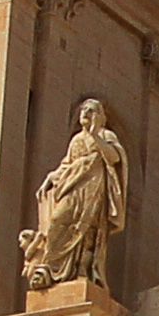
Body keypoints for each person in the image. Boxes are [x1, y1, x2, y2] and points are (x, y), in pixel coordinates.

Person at [22, 97, 130, 287]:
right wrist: (50, 178)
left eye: (91, 110)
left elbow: (114, 158)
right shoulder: (76, 140)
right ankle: (53, 269)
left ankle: (81, 270)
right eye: (83, 110)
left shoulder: (105, 135)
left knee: (86, 229)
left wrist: (95, 135)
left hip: (93, 189)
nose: (85, 113)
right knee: (57, 220)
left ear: (100, 117)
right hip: (72, 186)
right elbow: (66, 164)